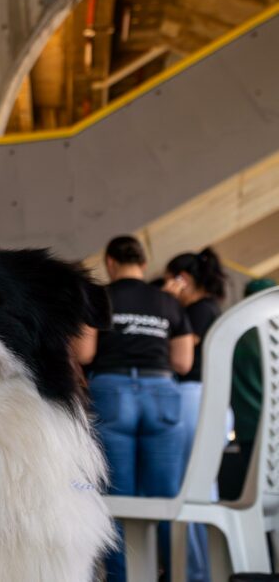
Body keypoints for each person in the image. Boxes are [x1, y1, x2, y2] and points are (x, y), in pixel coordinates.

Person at [76, 235, 194, 582]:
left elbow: (84, 354)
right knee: (166, 498)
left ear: (110, 263)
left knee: (118, 501)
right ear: (144, 263)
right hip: (161, 393)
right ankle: (175, 575)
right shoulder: (168, 302)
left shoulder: (103, 297)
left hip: (113, 392)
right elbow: (183, 362)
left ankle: (123, 577)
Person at [163, 248, 228, 582]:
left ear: (181, 279)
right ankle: (195, 570)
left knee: (190, 490)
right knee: (200, 489)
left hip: (195, 400)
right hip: (207, 402)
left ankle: (194, 573)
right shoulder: (210, 309)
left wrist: (167, 303)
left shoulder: (198, 312)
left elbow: (179, 351)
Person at [219, 278, 278, 501]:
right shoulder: (275, 337)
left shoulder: (237, 335)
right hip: (275, 432)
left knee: (252, 496)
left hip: (247, 431)